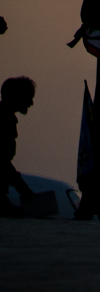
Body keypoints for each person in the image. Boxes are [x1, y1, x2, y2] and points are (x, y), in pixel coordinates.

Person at [2, 76, 36, 216]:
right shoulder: (4, 121)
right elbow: (3, 162)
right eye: (28, 97)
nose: (31, 103)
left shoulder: (6, 118)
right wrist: (24, 189)